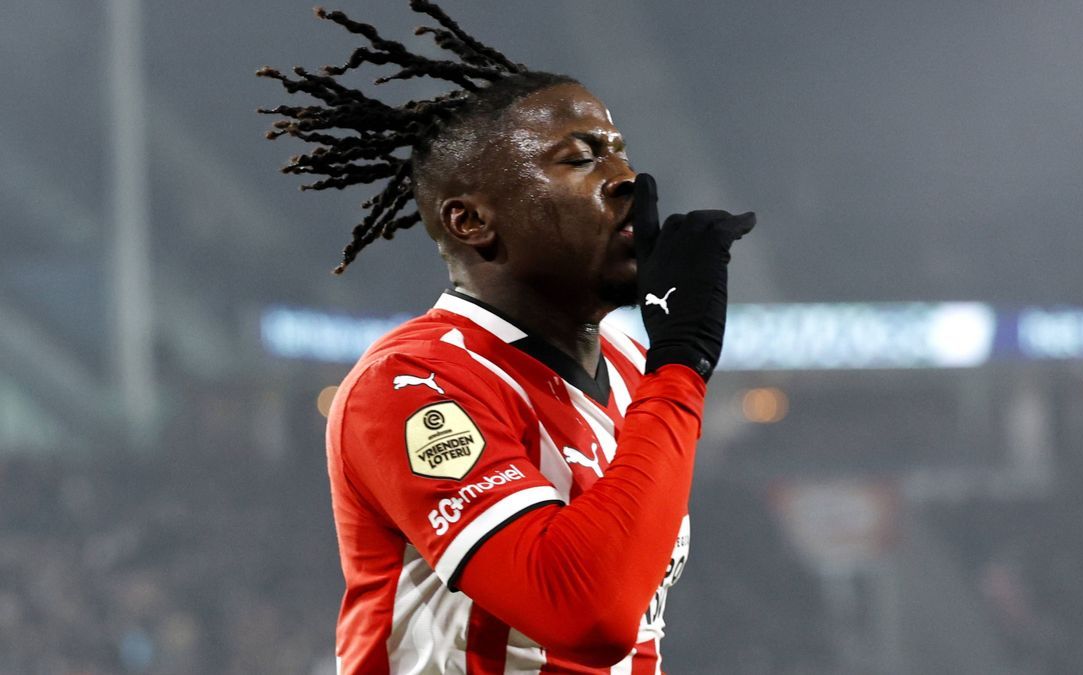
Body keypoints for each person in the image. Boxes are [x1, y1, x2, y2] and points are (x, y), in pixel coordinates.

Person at [259, 2, 754, 673]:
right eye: (580, 158)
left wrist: (669, 366)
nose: (626, 181)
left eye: (619, 152)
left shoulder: (638, 368)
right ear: (471, 222)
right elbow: (585, 612)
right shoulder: (413, 382)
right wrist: (684, 363)